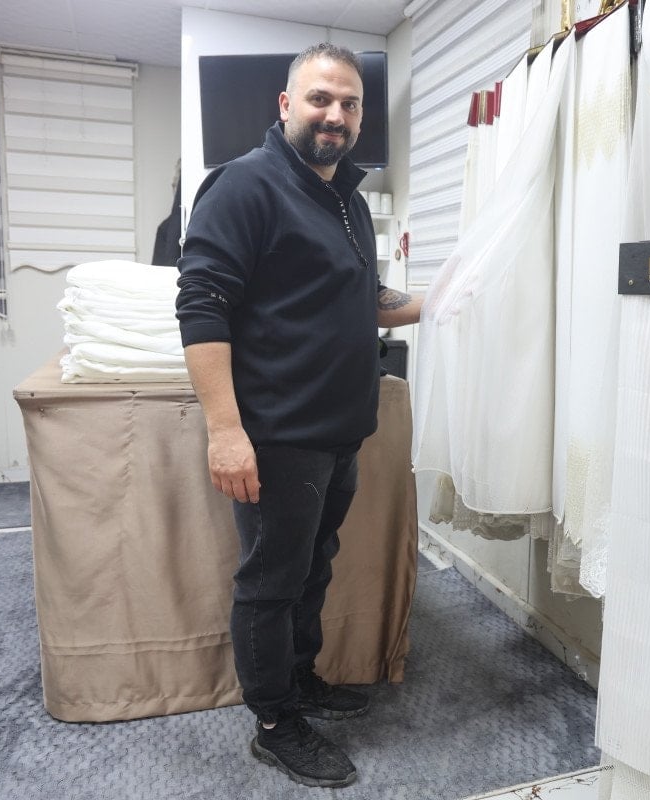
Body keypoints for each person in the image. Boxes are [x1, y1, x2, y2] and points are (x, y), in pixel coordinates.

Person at [174, 43, 421, 789]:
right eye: (320, 99)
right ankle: (275, 723)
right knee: (271, 582)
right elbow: (202, 305)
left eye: (349, 104)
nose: (335, 115)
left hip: (339, 430)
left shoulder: (347, 198)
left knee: (313, 567)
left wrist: (444, 300)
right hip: (277, 434)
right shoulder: (245, 185)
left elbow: (364, 299)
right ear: (286, 105)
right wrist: (225, 431)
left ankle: (299, 680)